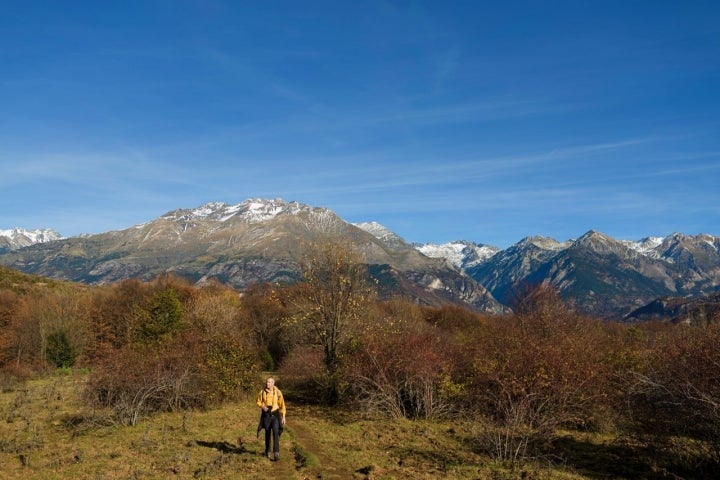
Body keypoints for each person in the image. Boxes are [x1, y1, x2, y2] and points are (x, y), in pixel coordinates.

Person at [256, 377, 286, 461]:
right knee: (267, 433)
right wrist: (262, 406)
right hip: (266, 415)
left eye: (269, 382)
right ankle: (267, 451)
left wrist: (283, 417)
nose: (267, 384)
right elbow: (258, 401)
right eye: (267, 382)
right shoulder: (262, 392)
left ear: (273, 384)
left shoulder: (278, 392)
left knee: (276, 432)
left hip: (275, 415)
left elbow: (282, 405)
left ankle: (276, 452)